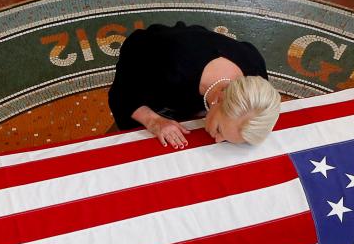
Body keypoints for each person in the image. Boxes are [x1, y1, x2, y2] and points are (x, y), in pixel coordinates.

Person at [108, 22, 282, 149]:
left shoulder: (255, 77)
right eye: (220, 130)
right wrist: (153, 121)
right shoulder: (171, 69)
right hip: (145, 62)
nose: (217, 140)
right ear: (219, 98)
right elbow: (121, 95)